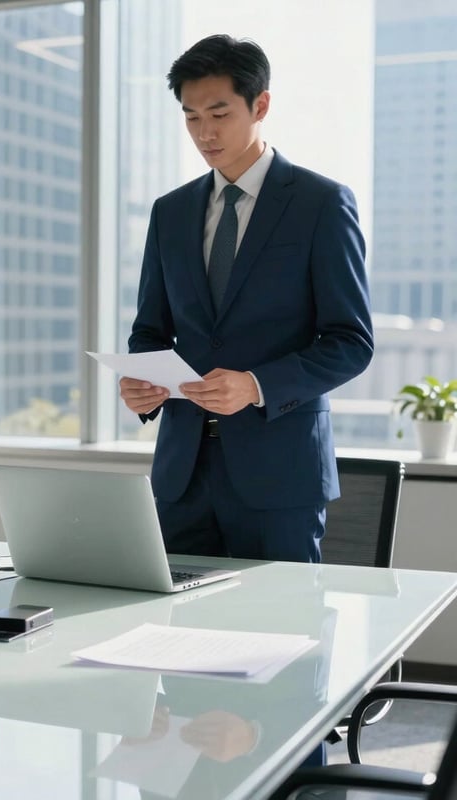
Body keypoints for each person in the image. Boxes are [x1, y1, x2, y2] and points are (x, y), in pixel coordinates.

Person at [120, 34, 374, 565]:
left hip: (279, 477)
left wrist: (256, 385)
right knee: (169, 637)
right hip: (181, 475)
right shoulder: (170, 212)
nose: (204, 133)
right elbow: (150, 328)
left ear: (260, 105)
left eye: (219, 113)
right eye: (191, 117)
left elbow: (351, 342)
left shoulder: (321, 204)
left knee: (281, 635)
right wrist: (145, 381)